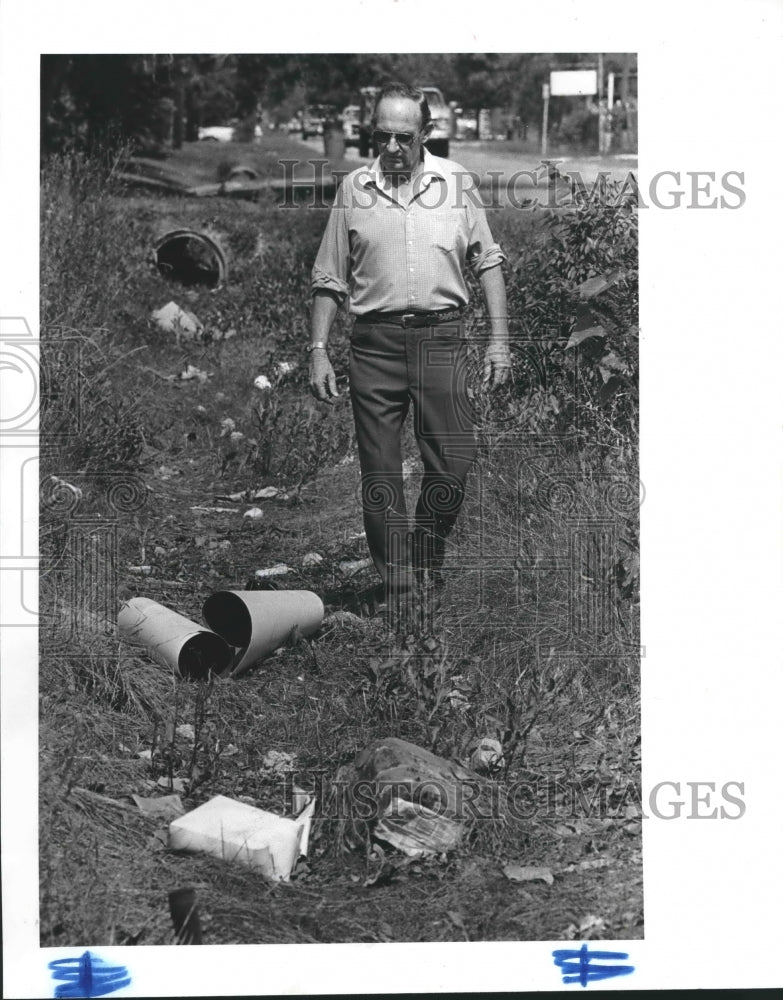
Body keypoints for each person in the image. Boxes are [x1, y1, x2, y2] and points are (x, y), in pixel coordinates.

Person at [308, 82, 511, 608]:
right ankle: (399, 590)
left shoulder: (457, 182)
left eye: (403, 136)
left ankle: (425, 548)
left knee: (454, 461)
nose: (392, 147)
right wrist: (318, 349)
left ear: (425, 133)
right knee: (381, 473)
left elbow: (488, 260)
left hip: (442, 338)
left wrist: (499, 342)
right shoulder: (355, 188)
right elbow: (329, 276)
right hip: (374, 344)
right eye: (383, 136)